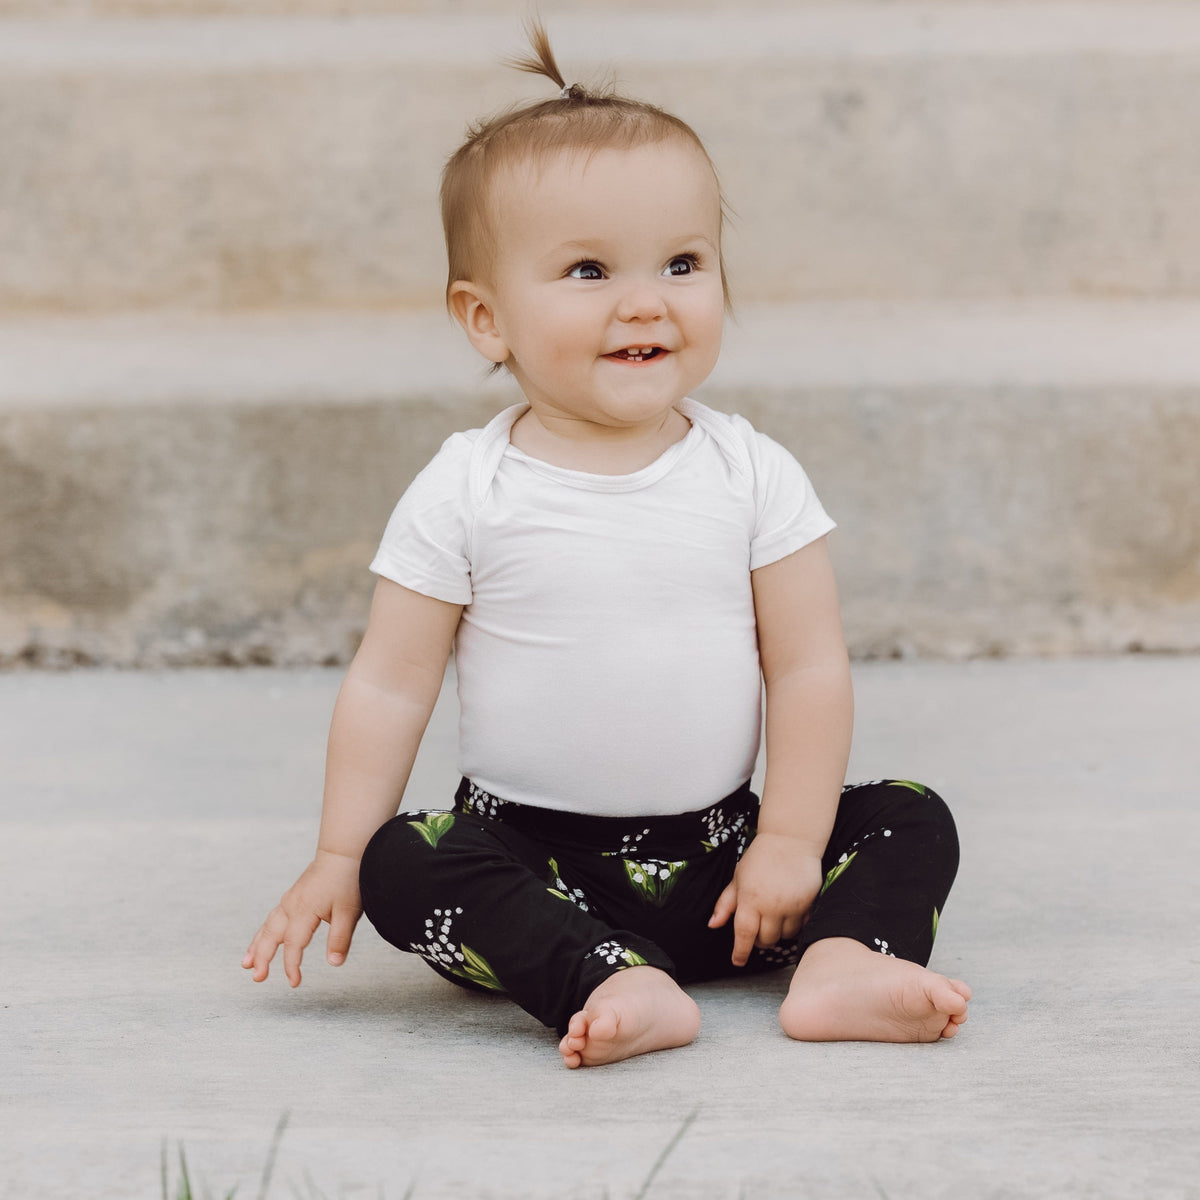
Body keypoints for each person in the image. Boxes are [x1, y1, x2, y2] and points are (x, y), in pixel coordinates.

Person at [242, 20, 971, 1068]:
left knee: (910, 815)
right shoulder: (466, 488)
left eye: (682, 262)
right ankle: (603, 978)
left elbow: (808, 668)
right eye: (589, 270)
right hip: (534, 866)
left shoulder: (751, 471)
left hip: (734, 876)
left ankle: (840, 963)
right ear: (486, 318)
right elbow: (391, 685)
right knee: (401, 860)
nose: (645, 301)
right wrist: (334, 852)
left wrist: (789, 843)